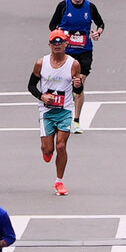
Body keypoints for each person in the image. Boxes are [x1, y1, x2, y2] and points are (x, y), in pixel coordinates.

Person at [29, 30, 82, 197]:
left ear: (67, 44)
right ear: (50, 45)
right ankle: (47, 151)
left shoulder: (74, 64)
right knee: (48, 149)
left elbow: (78, 90)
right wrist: (42, 96)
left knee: (61, 145)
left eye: (61, 42)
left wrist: (78, 84)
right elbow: (30, 86)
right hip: (46, 111)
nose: (57, 44)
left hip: (65, 110)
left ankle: (59, 181)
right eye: (54, 42)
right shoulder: (41, 63)